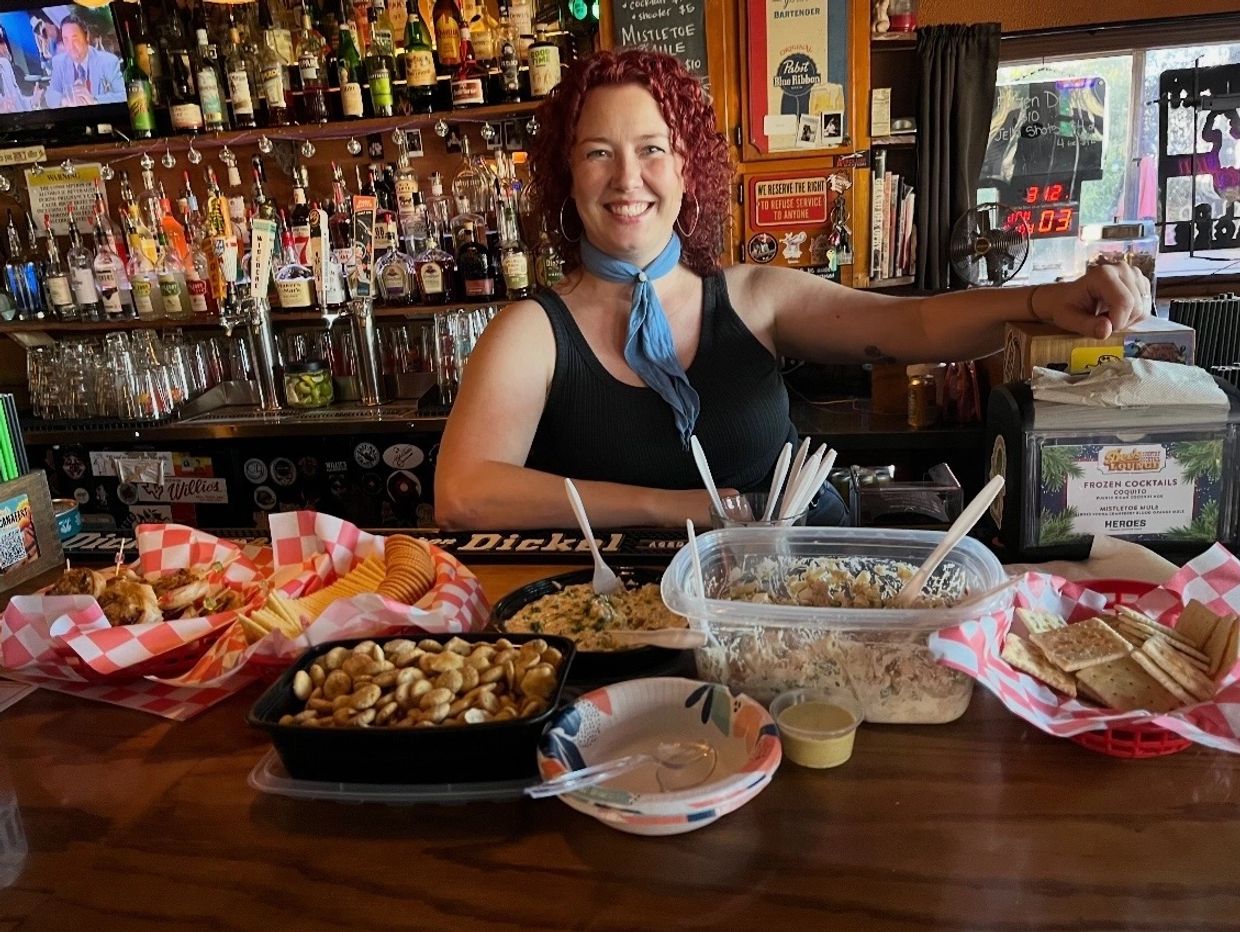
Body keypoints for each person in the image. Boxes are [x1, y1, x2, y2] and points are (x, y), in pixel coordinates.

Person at [434, 49, 1149, 531]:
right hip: (626, 616)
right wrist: (673, 507)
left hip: (793, 590)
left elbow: (916, 328)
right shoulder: (532, 332)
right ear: (568, 176)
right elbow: (462, 493)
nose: (627, 178)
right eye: (599, 153)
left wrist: (1039, 301)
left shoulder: (754, 296)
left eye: (652, 149)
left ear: (685, 170)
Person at [44, 13, 123, 108]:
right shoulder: (59, 62)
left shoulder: (108, 62)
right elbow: (51, 95)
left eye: (75, 39)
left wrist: (94, 101)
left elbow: (124, 95)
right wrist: (64, 100)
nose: (70, 46)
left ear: (87, 37)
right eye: (66, 39)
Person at [0, 25, 33, 113]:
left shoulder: (5, 64)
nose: (4, 48)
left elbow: (18, 98)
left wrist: (33, 100)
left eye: (2, 42)